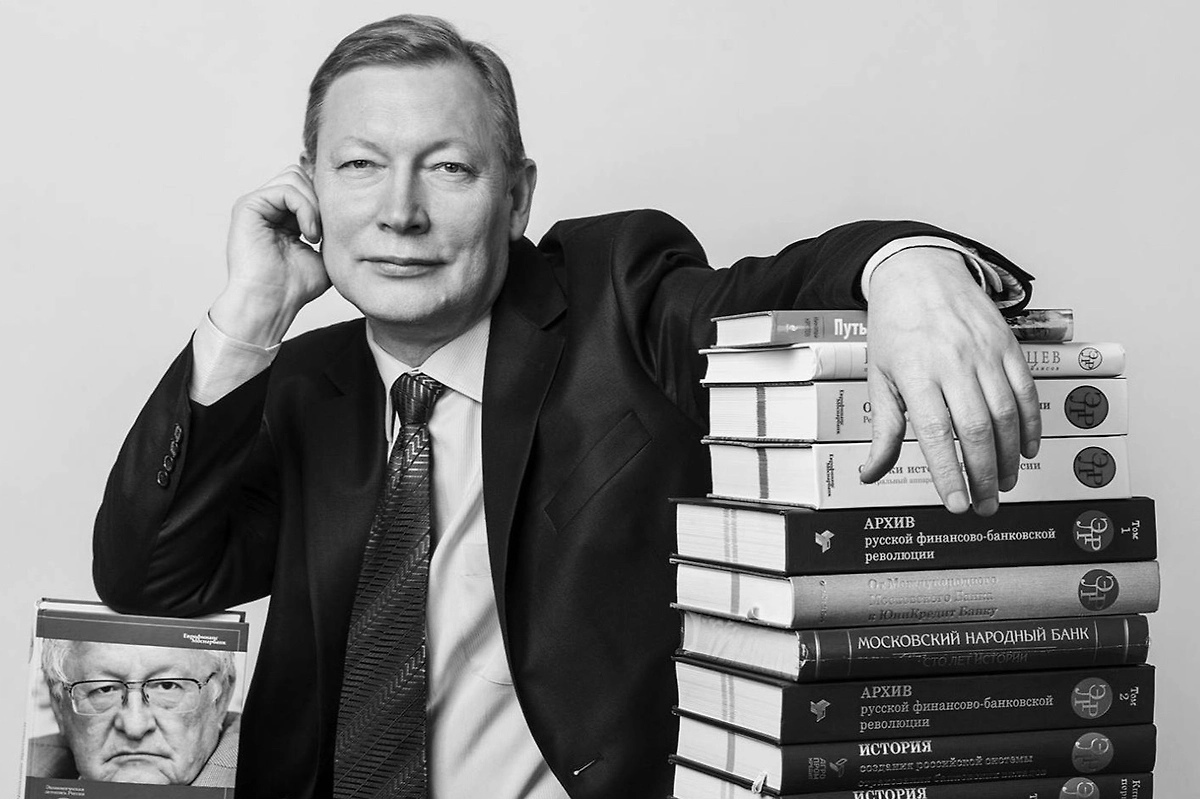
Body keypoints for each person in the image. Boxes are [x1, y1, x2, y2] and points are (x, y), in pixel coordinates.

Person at [93, 14, 1040, 799]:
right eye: (360, 166)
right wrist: (251, 313)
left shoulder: (618, 302)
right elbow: (149, 577)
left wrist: (906, 267)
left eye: (449, 168)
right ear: (309, 190)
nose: (400, 212)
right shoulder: (304, 383)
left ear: (517, 197)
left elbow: (775, 286)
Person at [30, 640, 238, 786]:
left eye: (167, 686)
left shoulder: (252, 781)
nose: (134, 727)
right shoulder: (23, 774)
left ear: (220, 700)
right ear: (59, 705)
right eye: (104, 689)